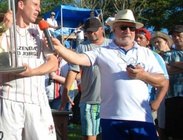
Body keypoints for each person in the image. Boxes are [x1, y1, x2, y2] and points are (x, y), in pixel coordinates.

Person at [47, 9, 165, 140]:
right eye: (123, 27)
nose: (128, 31)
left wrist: (144, 75)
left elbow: (161, 81)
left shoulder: (146, 53)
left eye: (132, 28)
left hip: (142, 118)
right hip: (112, 118)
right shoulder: (102, 51)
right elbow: (76, 59)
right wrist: (59, 47)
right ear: (113, 29)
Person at [0, 0, 58, 140]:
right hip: (10, 99)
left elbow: (53, 63)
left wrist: (32, 72)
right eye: (35, 4)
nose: (39, 9)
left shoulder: (40, 31)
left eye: (39, 6)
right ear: (21, 5)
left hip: (37, 100)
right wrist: (4, 28)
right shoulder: (4, 30)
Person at [60, 18, 111, 140]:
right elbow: (73, 70)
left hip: (111, 100)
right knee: (89, 136)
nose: (91, 34)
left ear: (101, 29)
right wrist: (66, 91)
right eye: (88, 32)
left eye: (94, 31)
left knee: (110, 135)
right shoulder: (81, 47)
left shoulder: (112, 45)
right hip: (89, 99)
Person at [134, 28, 169, 139]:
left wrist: (157, 101)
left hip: (148, 103)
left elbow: (165, 81)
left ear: (147, 42)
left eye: (141, 38)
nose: (137, 40)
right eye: (136, 37)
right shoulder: (127, 55)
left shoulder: (155, 57)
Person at [161, 25, 183, 139]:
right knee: (175, 132)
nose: (176, 38)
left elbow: (171, 68)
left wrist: (175, 64)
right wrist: (171, 68)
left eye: (178, 35)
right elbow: (166, 72)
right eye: (174, 36)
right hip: (172, 96)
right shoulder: (167, 54)